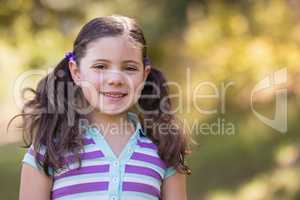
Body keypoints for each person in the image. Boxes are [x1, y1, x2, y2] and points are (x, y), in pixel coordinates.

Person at [15, 15, 191, 200]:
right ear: (76, 72)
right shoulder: (49, 148)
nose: (115, 79)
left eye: (129, 68)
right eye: (100, 66)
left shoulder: (164, 149)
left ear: (144, 74)